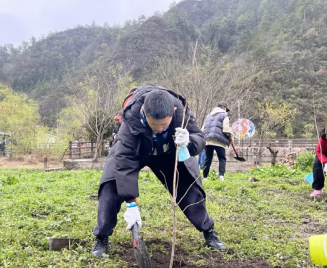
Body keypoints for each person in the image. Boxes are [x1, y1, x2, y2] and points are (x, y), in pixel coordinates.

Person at [92, 85, 227, 257]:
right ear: (144, 112)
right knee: (111, 184)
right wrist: (131, 203)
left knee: (188, 184)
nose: (160, 129)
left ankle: (208, 230)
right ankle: (102, 235)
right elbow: (124, 161)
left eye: (164, 124)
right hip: (137, 152)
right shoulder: (131, 119)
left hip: (168, 153)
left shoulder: (181, 114)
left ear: (173, 111)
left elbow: (200, 138)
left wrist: (189, 141)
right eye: (154, 125)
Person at [202, 102, 232, 181]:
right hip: (219, 140)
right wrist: (230, 135)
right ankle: (221, 176)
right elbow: (226, 129)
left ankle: (205, 177)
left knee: (208, 159)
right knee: (222, 158)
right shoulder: (224, 115)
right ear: (224, 108)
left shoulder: (208, 116)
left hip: (208, 140)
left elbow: (203, 129)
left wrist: (203, 141)